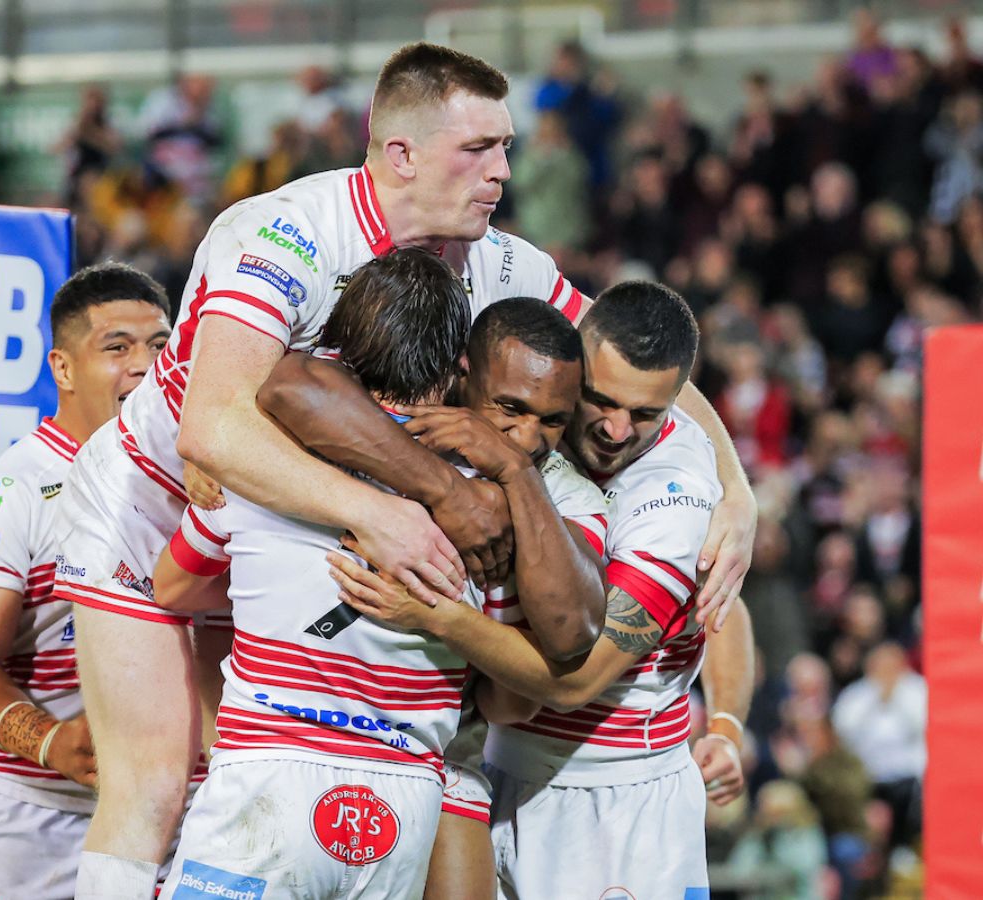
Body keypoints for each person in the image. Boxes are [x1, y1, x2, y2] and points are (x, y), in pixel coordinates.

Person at [58, 41, 756, 890]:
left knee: (329, 767)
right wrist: (398, 509)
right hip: (157, 502)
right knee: (159, 786)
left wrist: (737, 491)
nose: (501, 169)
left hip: (289, 516)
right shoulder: (284, 231)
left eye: (505, 148)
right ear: (401, 154)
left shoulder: (504, 260)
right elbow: (216, 427)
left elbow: (636, 368)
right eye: (479, 149)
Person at [150, 259, 607, 899]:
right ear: (458, 372)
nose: (525, 438)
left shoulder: (268, 459)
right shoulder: (495, 521)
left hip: (272, 767)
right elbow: (513, 699)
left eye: (549, 422)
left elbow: (170, 588)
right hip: (407, 797)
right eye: (509, 409)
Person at [330, 281, 754, 898]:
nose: (613, 429)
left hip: (614, 801)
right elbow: (726, 606)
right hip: (494, 767)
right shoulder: (537, 413)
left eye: (644, 414)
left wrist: (436, 614)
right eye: (599, 401)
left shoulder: (675, 502)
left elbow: (578, 680)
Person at [0, 263, 172, 899]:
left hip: (169, 820)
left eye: (160, 346)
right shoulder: (6, 497)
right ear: (62, 369)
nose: (144, 366)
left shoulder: (197, 479)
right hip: (35, 824)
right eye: (116, 348)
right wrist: (52, 742)